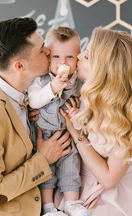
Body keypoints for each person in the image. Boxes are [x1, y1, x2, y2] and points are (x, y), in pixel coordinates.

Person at [0, 17, 72, 216]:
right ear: (20, 66)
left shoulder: (26, 96)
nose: (49, 52)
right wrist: (43, 159)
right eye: (41, 50)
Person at [58, 27, 132, 215]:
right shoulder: (85, 95)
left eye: (86, 56)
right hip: (78, 187)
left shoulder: (124, 117)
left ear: (104, 69)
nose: (78, 56)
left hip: (113, 197)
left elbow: (109, 180)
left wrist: (77, 135)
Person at [28, 27, 88, 216]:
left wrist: (79, 113)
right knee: (47, 172)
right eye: (56, 57)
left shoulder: (80, 83)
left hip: (68, 137)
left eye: (69, 57)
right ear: (48, 56)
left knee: (72, 166)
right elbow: (34, 100)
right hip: (44, 136)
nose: (62, 62)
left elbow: (88, 107)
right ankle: (48, 208)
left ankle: (72, 202)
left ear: (77, 58)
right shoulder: (40, 80)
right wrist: (53, 87)